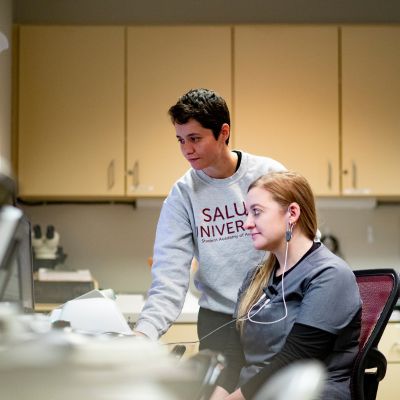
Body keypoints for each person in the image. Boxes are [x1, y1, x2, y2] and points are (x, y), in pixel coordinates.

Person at [134, 88, 285, 352]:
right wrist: (144, 334)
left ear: (223, 132)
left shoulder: (269, 175)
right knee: (217, 393)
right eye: (180, 140)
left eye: (195, 138)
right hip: (218, 322)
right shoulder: (183, 194)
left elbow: (307, 249)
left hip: (275, 314)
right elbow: (169, 276)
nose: (187, 150)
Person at [210, 171, 362, 400]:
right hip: (253, 394)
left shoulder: (330, 275)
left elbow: (295, 359)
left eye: (256, 212)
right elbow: (234, 355)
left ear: (292, 213)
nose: (247, 223)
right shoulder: (255, 278)